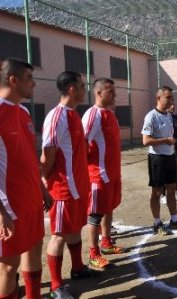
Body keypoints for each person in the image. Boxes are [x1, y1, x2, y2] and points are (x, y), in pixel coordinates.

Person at [41, 71, 100, 298]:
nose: (85, 89)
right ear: (72, 89)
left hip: (78, 186)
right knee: (59, 235)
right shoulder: (56, 117)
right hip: (62, 188)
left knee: (75, 229)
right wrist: (43, 184)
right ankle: (56, 286)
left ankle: (78, 269)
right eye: (82, 86)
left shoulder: (74, 115)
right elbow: (48, 155)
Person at [0, 58, 52, 299]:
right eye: (30, 78)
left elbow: (29, 156)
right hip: (9, 206)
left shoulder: (22, 112)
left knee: (34, 249)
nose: (34, 84)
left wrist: (42, 189)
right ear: (14, 80)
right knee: (8, 267)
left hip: (31, 198)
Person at [82, 78, 123, 270]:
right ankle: (93, 254)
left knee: (109, 208)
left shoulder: (110, 114)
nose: (114, 94)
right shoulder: (93, 115)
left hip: (113, 174)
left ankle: (106, 243)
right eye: (110, 91)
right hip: (98, 174)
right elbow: (81, 145)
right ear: (99, 93)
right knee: (95, 214)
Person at [141, 86, 177, 236]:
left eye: (172, 97)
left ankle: (174, 220)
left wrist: (175, 157)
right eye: (168, 97)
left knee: (172, 189)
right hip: (157, 158)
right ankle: (157, 223)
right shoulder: (151, 116)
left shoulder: (169, 116)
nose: (171, 100)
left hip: (170, 157)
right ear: (158, 98)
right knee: (157, 192)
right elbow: (145, 140)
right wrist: (165, 141)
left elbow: (172, 140)